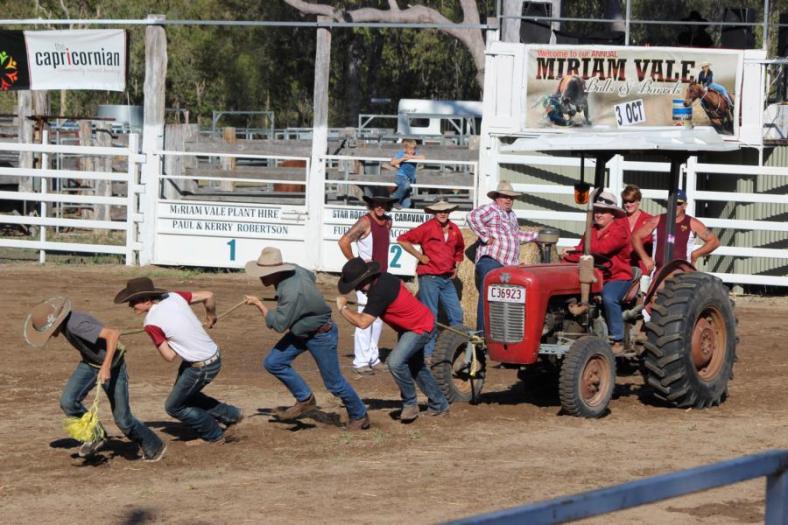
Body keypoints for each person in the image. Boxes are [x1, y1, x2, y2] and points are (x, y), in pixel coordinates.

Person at [24, 297, 166, 462]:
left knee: (123, 420)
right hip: (90, 363)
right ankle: (95, 435)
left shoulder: (76, 325)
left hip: (113, 366)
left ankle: (155, 446)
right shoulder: (67, 325)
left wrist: (106, 366)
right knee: (68, 401)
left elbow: (112, 335)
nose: (50, 336)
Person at [243, 247, 370, 430]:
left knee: (334, 384)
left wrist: (258, 304)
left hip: (320, 334)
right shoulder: (296, 269)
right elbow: (311, 276)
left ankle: (360, 415)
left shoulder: (291, 293)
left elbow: (278, 325)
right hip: (302, 330)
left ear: (276, 271)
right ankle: (305, 399)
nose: (261, 277)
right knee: (273, 362)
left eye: (264, 273)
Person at [114, 277, 243, 445]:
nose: (131, 306)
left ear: (146, 300)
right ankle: (232, 414)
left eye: (133, 302)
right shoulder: (173, 296)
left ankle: (214, 435)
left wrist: (170, 338)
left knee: (174, 406)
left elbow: (169, 356)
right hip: (212, 355)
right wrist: (211, 316)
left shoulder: (151, 323)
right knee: (186, 397)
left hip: (200, 366)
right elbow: (208, 295)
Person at [336, 257, 449, 422]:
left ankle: (410, 403)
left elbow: (363, 322)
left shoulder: (378, 293)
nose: (359, 290)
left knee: (395, 363)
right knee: (416, 367)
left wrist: (343, 308)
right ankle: (439, 404)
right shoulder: (384, 278)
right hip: (413, 324)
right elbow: (400, 290)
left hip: (418, 328)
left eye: (359, 286)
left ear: (367, 278)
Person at [563, 191, 632, 355]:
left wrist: (576, 250)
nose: (599, 214)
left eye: (604, 211)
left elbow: (602, 249)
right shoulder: (591, 230)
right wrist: (569, 255)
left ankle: (617, 339)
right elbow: (584, 252)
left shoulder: (620, 231)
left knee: (609, 297)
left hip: (616, 276)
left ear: (613, 214)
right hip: (593, 276)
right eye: (597, 211)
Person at [397, 200, 464, 364]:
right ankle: (428, 354)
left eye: (446, 211)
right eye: (439, 211)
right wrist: (420, 256)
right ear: (434, 213)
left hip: (446, 278)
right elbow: (402, 239)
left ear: (450, 212)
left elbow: (459, 249)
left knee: (456, 314)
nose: (443, 213)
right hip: (429, 277)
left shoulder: (454, 229)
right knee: (431, 316)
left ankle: (456, 349)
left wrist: (456, 266)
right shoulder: (427, 228)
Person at [466, 181, 539, 334]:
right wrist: (485, 236)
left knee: (506, 301)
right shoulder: (492, 209)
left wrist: (537, 236)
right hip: (491, 261)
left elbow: (517, 235)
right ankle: (482, 334)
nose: (508, 200)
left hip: (508, 266)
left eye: (511, 198)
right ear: (497, 197)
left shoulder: (512, 215)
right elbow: (472, 216)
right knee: (489, 295)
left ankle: (503, 333)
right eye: (505, 197)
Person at [338, 193, 395, 376]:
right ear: (371, 204)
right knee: (364, 317)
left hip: (382, 275)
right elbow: (344, 242)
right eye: (377, 203)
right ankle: (361, 361)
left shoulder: (388, 221)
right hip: (366, 278)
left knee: (377, 319)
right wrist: (356, 265)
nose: (380, 207)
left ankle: (373, 357)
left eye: (383, 203)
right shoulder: (365, 222)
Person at [631, 189, 720, 274]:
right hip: (658, 274)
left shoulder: (692, 223)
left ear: (685, 205)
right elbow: (635, 236)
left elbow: (714, 242)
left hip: (683, 275)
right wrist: (645, 258)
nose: (674, 206)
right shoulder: (657, 220)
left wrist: (695, 254)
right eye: (672, 202)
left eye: (678, 203)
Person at [621, 184, 654, 275]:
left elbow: (656, 244)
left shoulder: (649, 220)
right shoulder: (619, 220)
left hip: (643, 267)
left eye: (631, 201)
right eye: (625, 201)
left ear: (638, 201)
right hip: (622, 268)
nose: (628, 204)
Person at [389, 139, 425, 209]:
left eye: (414, 149)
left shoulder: (415, 154)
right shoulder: (401, 153)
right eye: (410, 149)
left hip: (410, 179)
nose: (412, 151)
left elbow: (423, 158)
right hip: (401, 176)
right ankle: (394, 201)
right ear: (405, 149)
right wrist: (403, 159)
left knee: (407, 204)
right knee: (406, 185)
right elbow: (392, 162)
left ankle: (397, 205)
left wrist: (411, 157)